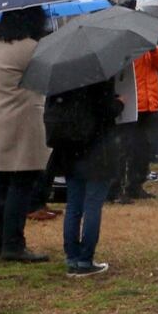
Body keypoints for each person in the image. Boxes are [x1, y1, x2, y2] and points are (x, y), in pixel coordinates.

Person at [0, 6, 52, 263]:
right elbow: (47, 78)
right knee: (21, 185)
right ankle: (13, 244)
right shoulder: (30, 48)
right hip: (23, 122)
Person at [45, 79, 123, 276]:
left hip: (70, 149)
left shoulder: (60, 78)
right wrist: (119, 103)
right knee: (92, 205)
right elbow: (106, 110)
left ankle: (72, 256)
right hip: (97, 149)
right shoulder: (99, 77)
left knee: (74, 205)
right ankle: (85, 259)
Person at [114, 31, 158, 203]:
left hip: (149, 104)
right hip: (131, 105)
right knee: (125, 149)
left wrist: (153, 47)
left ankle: (136, 185)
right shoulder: (122, 48)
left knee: (144, 149)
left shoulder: (149, 47)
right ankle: (118, 188)